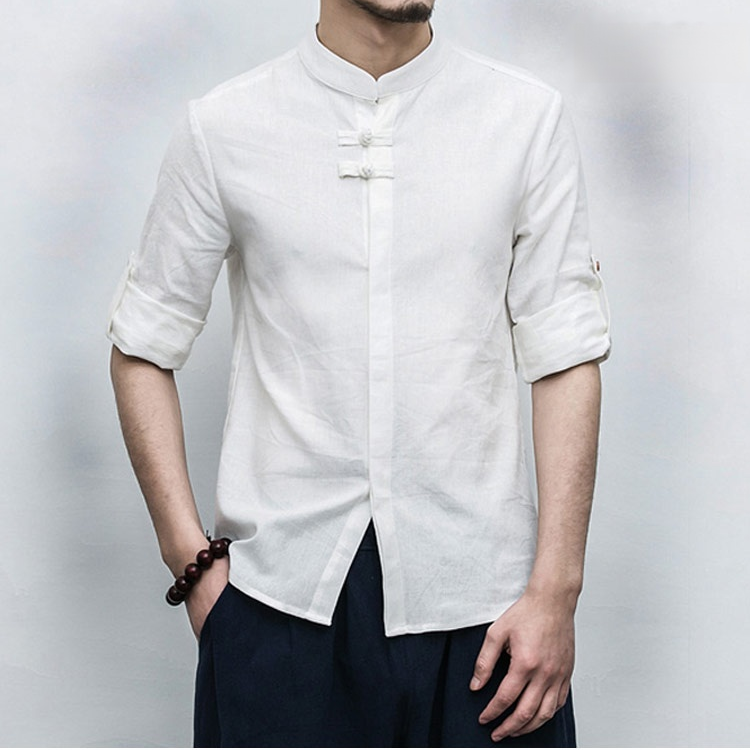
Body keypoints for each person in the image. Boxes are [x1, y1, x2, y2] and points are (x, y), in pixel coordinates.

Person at [107, 0, 610, 746]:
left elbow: (565, 354)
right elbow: (143, 343)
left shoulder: (525, 119)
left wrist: (556, 592)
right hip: (278, 612)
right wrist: (193, 566)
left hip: (493, 619)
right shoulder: (225, 127)